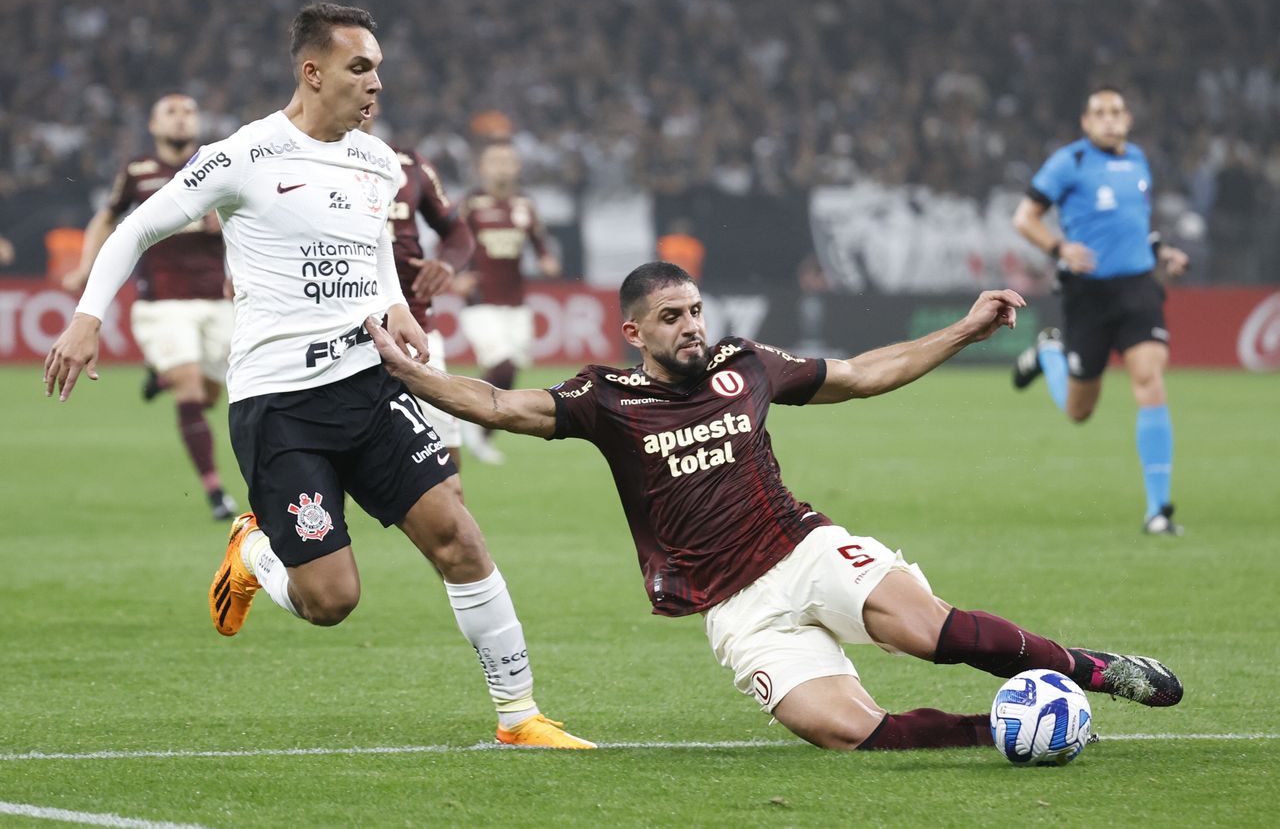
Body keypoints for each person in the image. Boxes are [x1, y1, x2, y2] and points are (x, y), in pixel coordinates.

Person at [43, 2, 592, 750]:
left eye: (379, 70)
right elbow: (139, 225)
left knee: (458, 536)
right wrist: (87, 318)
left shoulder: (377, 160)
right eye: (360, 68)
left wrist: (395, 305)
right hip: (280, 407)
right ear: (312, 72)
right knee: (332, 600)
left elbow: (369, 249)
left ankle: (519, 714)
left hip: (368, 384)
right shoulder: (243, 155)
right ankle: (255, 552)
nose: (376, 85)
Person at [365, 261, 1183, 751]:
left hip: (802, 548)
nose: (692, 326)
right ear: (634, 332)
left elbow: (863, 372)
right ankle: (1001, 730)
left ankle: (1099, 671)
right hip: (733, 608)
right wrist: (416, 375)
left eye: (695, 310)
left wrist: (965, 332)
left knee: (929, 630)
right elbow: (501, 406)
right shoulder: (602, 399)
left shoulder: (745, 365)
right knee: (848, 732)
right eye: (671, 318)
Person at [1011, 86, 1190, 535]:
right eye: (1099, 113)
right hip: (1087, 295)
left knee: (1149, 380)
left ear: (1127, 119)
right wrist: (1059, 247)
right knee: (1078, 410)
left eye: (1116, 112)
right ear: (1086, 123)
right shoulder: (1068, 162)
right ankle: (1049, 354)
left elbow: (1133, 225)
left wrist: (1161, 251)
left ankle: (1158, 511)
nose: (1109, 119)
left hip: (1137, 290)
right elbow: (1024, 217)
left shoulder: (1138, 161)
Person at [62, 93, 238, 520]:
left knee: (212, 394)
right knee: (193, 387)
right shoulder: (138, 172)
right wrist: (87, 265)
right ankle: (216, 493)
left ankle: (162, 380)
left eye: (189, 112)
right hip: (162, 305)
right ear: (154, 127)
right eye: (171, 113)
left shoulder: (220, 166)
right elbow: (107, 217)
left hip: (218, 304)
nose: (181, 119)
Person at [359, 104, 476, 471]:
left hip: (413, 323)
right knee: (335, 449)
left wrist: (447, 263)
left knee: (442, 445)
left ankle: (453, 525)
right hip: (337, 325)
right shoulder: (305, 162)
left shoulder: (409, 164)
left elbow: (456, 230)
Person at [454, 142, 560, 464]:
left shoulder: (525, 204)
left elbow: (539, 241)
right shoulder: (471, 204)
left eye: (508, 161)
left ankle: (481, 434)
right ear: (482, 168)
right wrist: (456, 275)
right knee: (502, 364)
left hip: (517, 302)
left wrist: (546, 258)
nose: (502, 167)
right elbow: (453, 241)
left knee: (509, 373)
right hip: (480, 301)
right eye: (495, 160)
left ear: (517, 167)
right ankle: (468, 419)